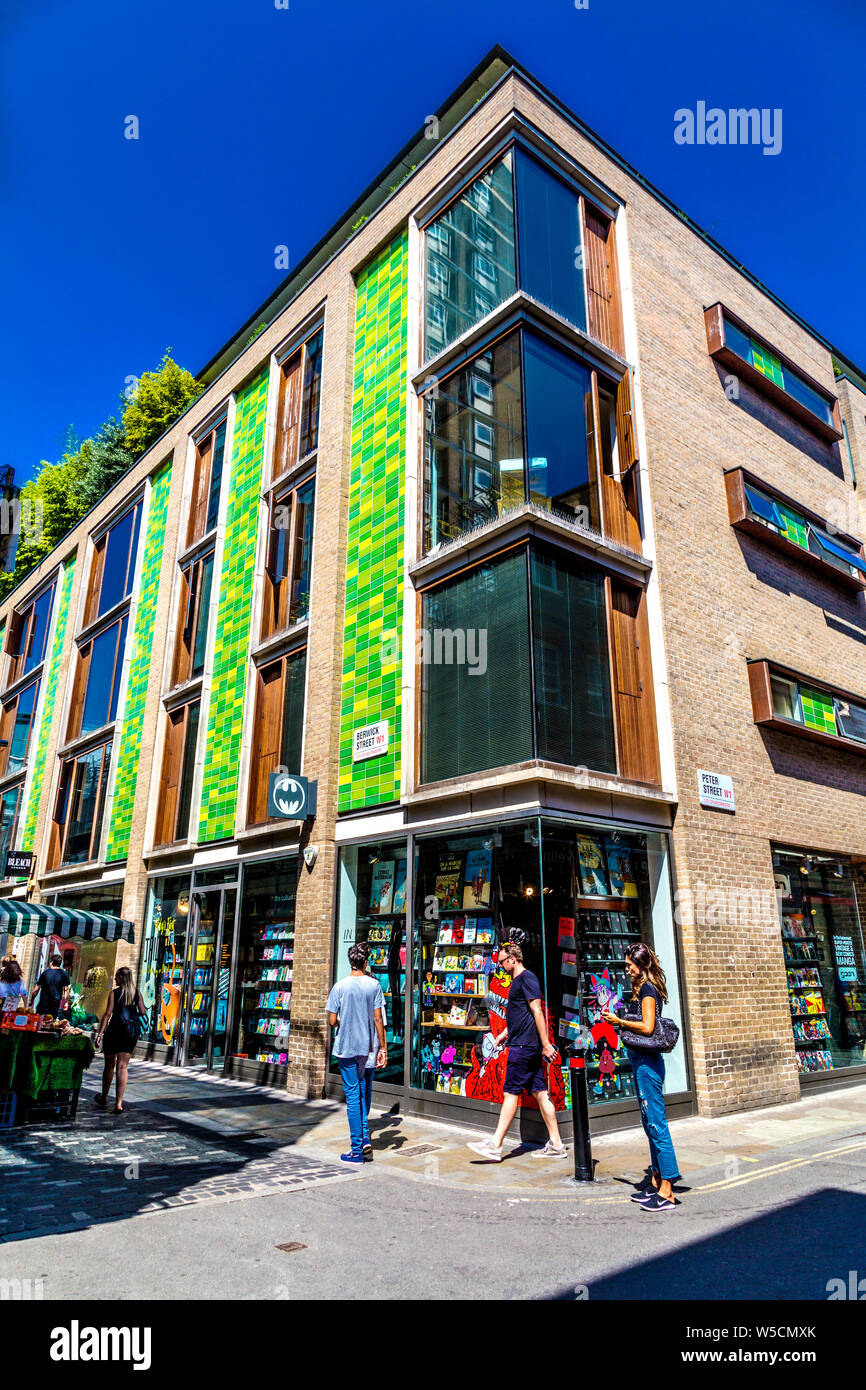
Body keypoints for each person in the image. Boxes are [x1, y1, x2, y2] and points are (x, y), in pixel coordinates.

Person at [467, 938, 567, 1162]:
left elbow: (537, 1012)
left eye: (502, 961)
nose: (500, 966)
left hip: (524, 1048)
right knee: (541, 1094)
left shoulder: (527, 979)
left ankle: (495, 1145)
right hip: (522, 1043)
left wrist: (546, 1044)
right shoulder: (518, 981)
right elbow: (520, 1017)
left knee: (510, 1092)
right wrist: (504, 1034)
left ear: (513, 959)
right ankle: (557, 1144)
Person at [601, 941, 680, 1212]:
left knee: (657, 1124)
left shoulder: (648, 989)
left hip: (648, 1063)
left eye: (629, 965)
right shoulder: (642, 989)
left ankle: (667, 1190)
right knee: (649, 1123)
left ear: (641, 965)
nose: (627, 970)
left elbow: (647, 1027)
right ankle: (657, 1182)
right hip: (641, 1061)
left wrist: (620, 1022)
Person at [326, 942, 387, 1164]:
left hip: (346, 1047)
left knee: (352, 1096)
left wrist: (344, 1021)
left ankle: (356, 1148)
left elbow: (332, 1020)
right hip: (366, 1047)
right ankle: (363, 1140)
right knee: (360, 1091)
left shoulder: (339, 987)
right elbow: (378, 1018)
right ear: (365, 962)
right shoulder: (374, 986)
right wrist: (383, 1047)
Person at [94, 967, 146, 1114]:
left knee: (109, 1065)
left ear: (122, 978)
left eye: (116, 976)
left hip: (114, 1031)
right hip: (129, 1034)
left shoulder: (114, 993)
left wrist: (100, 1034)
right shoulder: (136, 993)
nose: (115, 979)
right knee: (123, 1067)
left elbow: (107, 1014)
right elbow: (142, 1011)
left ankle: (104, 1097)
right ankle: (118, 1104)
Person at [31, 953, 70, 1019]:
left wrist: (32, 999)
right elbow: (66, 989)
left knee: (39, 1021)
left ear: (51, 963)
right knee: (51, 1023)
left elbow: (37, 989)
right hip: (55, 1004)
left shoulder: (45, 973)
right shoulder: (64, 974)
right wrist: (66, 1003)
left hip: (43, 1003)